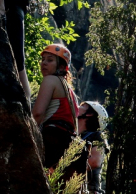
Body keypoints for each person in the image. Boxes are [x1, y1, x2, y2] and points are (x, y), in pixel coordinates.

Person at [32, 44, 87, 184]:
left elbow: (37, 113)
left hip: (52, 138)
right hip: (69, 144)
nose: (44, 63)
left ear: (62, 67)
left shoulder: (50, 80)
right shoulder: (71, 92)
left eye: (50, 60)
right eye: (43, 59)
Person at [78, 101, 110, 194]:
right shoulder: (73, 132)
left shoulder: (98, 136)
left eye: (83, 106)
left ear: (89, 114)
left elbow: (93, 162)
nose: (76, 107)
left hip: (89, 189)